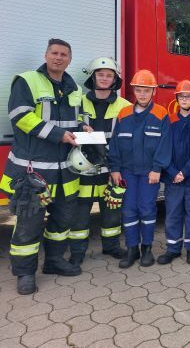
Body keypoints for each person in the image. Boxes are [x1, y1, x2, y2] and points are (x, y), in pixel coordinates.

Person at [1, 39, 82, 294]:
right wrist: (59, 134)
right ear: (46, 55)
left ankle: (55, 261)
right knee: (29, 223)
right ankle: (24, 273)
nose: (59, 58)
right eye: (54, 53)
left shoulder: (74, 87)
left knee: (61, 221)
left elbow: (78, 118)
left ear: (70, 59)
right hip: (33, 171)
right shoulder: (26, 81)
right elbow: (21, 116)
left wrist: (84, 128)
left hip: (65, 171)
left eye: (64, 54)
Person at [68, 57, 131, 266]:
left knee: (111, 208)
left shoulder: (125, 106)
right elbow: (68, 127)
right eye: (100, 74)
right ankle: (77, 252)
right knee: (80, 211)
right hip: (83, 167)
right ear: (93, 77)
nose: (104, 78)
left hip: (111, 167)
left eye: (109, 75)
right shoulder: (78, 102)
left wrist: (118, 166)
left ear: (115, 80)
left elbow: (128, 139)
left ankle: (111, 246)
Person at [108, 69, 171, 268]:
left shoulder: (161, 114)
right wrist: (115, 168)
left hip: (148, 173)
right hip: (126, 171)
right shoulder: (123, 114)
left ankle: (147, 249)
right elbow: (116, 144)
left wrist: (157, 168)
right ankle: (132, 249)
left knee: (147, 208)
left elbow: (165, 145)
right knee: (128, 210)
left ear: (153, 92)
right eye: (139, 90)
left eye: (147, 90)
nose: (142, 94)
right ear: (134, 91)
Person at [157, 80, 190, 265]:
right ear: (176, 98)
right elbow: (163, 149)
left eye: (188, 96)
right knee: (173, 213)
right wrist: (172, 171)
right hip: (172, 178)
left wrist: (184, 171)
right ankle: (173, 249)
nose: (185, 99)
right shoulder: (168, 121)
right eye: (182, 96)